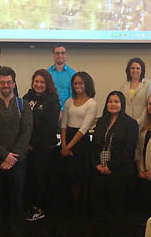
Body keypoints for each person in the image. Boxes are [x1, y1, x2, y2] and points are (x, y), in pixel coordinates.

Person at [0, 67, 33, 237]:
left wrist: (12, 157)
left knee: (16, 201)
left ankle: (16, 232)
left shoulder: (24, 105)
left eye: (9, 82)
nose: (5, 85)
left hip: (17, 163)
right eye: (2, 82)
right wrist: (3, 155)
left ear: (14, 83)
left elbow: (26, 134)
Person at [91, 91, 137, 237]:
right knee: (100, 209)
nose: (113, 104)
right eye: (110, 101)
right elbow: (94, 146)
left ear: (122, 104)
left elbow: (129, 150)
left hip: (119, 173)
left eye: (116, 101)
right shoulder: (101, 121)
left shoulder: (130, 123)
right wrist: (97, 164)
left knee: (117, 210)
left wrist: (110, 167)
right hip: (100, 171)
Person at [22, 69, 60, 221]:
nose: (38, 84)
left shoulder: (52, 101)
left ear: (48, 84)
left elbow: (48, 127)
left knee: (40, 179)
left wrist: (32, 143)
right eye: (36, 81)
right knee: (29, 179)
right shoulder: (27, 97)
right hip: (27, 147)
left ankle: (40, 209)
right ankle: (31, 207)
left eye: (42, 82)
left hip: (43, 148)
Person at [60, 71, 97, 217]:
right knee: (69, 178)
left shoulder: (92, 103)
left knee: (81, 178)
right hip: (67, 139)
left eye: (81, 83)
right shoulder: (69, 101)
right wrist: (63, 145)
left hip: (81, 144)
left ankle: (81, 211)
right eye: (75, 83)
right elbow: (63, 124)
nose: (78, 86)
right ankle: (71, 208)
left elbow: (84, 128)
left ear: (87, 84)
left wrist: (68, 147)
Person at [119, 57, 151, 121]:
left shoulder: (148, 84)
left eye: (138, 68)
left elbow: (148, 105)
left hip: (143, 122)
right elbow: (121, 105)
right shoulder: (123, 85)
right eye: (132, 68)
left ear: (142, 70)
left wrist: (138, 121)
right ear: (129, 70)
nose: (135, 70)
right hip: (126, 122)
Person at [47, 44, 77, 113]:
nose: (60, 55)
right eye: (57, 53)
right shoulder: (47, 73)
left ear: (66, 54)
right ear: (53, 55)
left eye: (62, 53)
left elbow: (72, 95)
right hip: (49, 109)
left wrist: (62, 110)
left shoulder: (73, 74)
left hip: (67, 111)